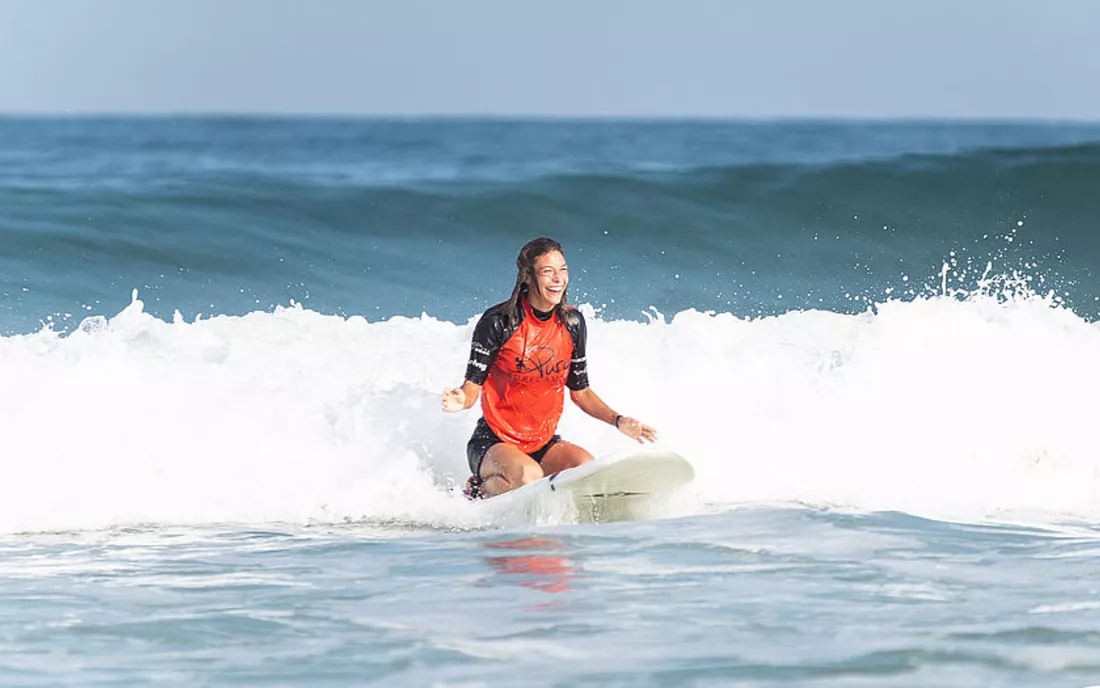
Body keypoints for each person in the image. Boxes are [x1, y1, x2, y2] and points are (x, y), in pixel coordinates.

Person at [442, 237, 657, 499]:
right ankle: (477, 490)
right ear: (528, 277)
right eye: (547, 271)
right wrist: (461, 400)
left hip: (542, 443)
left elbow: (581, 392)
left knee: (587, 471)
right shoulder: (498, 322)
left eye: (563, 270)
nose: (558, 278)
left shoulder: (572, 322)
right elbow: (472, 389)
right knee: (528, 476)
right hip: (494, 443)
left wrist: (618, 421)